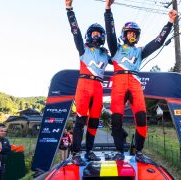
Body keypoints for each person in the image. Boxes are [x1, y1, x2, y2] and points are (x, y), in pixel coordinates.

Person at [104, 0, 177, 162]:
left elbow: (158, 42)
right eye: (130, 32)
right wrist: (108, 10)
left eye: (135, 33)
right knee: (116, 119)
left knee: (142, 118)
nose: (133, 35)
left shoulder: (140, 51)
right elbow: (109, 32)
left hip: (135, 84)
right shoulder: (116, 49)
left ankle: (138, 150)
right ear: (124, 34)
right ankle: (118, 150)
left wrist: (170, 23)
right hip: (119, 83)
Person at [65, 0, 111, 165]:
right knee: (80, 121)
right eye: (93, 33)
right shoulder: (83, 48)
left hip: (98, 87)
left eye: (99, 33)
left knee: (94, 121)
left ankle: (89, 151)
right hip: (83, 86)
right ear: (89, 35)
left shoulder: (106, 54)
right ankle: (76, 153)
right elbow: (75, 31)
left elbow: (122, 63)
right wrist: (69, 9)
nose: (96, 35)